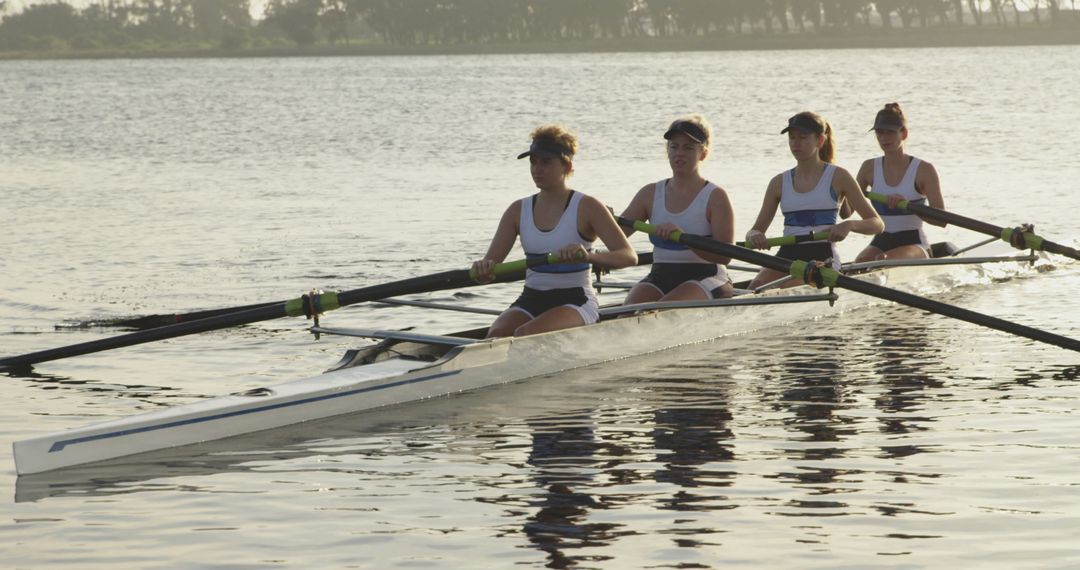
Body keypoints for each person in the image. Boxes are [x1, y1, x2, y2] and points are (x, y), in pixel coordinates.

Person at [472, 125, 637, 338]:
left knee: (526, 334)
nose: (537, 169)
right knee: (497, 334)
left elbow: (628, 256)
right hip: (530, 299)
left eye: (546, 162)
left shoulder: (588, 206)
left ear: (567, 166)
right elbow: (490, 270)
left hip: (575, 300)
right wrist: (483, 269)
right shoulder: (517, 210)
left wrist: (588, 257)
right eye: (533, 162)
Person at [745, 111, 883, 289]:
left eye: (803, 137)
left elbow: (877, 224)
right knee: (756, 287)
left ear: (820, 141)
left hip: (823, 256)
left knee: (789, 286)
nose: (796, 143)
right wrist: (755, 236)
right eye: (792, 138)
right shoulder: (778, 182)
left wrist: (849, 225)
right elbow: (755, 230)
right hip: (787, 255)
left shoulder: (839, 177)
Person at [619, 115, 735, 304]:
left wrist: (685, 239)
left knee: (662, 310)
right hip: (660, 275)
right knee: (626, 313)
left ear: (703, 154)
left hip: (707, 277)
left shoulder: (715, 196)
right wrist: (601, 219)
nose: (679, 153)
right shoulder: (649, 193)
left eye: (688, 147)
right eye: (674, 146)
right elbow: (616, 237)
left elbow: (725, 255)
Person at [854, 103, 945, 263]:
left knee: (882, 259)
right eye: (879, 132)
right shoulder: (868, 168)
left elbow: (942, 220)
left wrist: (908, 205)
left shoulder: (923, 169)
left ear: (904, 134)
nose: (883, 138)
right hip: (880, 240)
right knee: (861, 262)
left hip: (915, 242)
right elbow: (845, 212)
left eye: (890, 132)